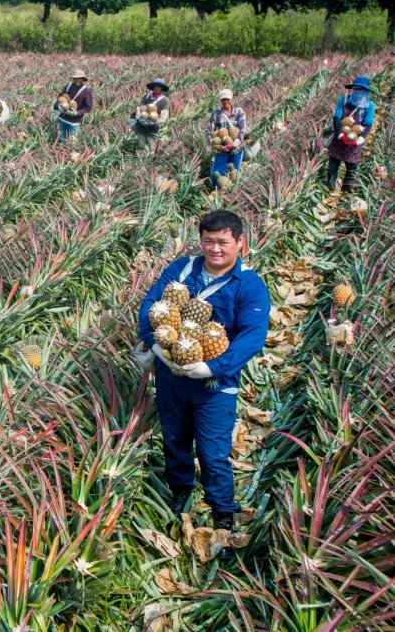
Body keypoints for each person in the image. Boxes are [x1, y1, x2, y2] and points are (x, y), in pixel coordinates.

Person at [135, 210, 270, 560]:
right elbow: (150, 304)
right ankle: (180, 490)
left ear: (240, 243)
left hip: (215, 384)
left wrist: (210, 366)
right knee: (175, 437)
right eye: (208, 240)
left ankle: (222, 512)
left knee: (213, 452)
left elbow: (253, 337)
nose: (215, 249)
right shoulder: (182, 269)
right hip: (170, 376)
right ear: (201, 240)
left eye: (223, 242)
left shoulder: (249, 284)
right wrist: (155, 345)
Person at [327, 76, 376, 193]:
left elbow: (368, 124)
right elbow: (337, 117)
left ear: (365, 91)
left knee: (352, 167)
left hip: (356, 137)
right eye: (356, 89)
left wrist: (360, 139)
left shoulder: (370, 106)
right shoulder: (343, 100)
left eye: (360, 89)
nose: (357, 92)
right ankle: (329, 188)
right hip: (340, 136)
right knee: (333, 164)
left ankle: (346, 192)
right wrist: (339, 134)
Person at [207, 89, 249, 190]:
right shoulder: (216, 114)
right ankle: (217, 193)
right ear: (220, 101)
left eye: (227, 99)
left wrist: (233, 145)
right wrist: (213, 144)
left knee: (234, 174)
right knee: (216, 174)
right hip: (222, 150)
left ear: (232, 99)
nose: (225, 102)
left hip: (236, 149)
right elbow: (209, 131)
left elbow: (242, 131)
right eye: (223, 99)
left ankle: (232, 194)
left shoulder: (239, 112)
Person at [131, 78, 171, 150]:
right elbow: (140, 108)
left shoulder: (165, 100)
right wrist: (139, 118)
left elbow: (164, 114)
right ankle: (140, 158)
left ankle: (151, 159)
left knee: (152, 146)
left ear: (162, 88)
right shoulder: (146, 96)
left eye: (159, 86)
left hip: (153, 127)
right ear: (153, 87)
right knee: (141, 145)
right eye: (155, 86)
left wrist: (157, 122)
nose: (156, 88)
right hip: (141, 125)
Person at [55, 69, 93, 139]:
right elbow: (60, 96)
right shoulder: (69, 86)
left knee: (72, 142)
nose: (77, 81)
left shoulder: (86, 91)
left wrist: (77, 113)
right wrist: (59, 105)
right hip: (62, 119)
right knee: (61, 139)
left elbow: (88, 108)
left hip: (74, 122)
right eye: (76, 78)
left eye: (80, 79)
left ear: (83, 79)